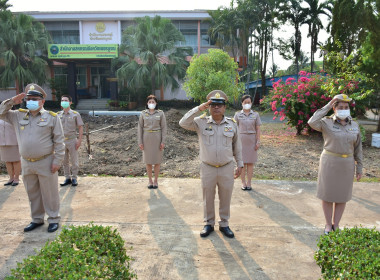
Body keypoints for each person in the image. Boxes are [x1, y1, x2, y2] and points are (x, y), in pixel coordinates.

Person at [0, 84, 65, 233]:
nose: (30, 102)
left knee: (50, 193)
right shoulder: (18, 115)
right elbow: (1, 113)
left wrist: (58, 161)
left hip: (46, 161)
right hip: (27, 162)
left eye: (34, 99)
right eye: (28, 99)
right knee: (32, 192)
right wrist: (11, 101)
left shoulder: (52, 117)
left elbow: (59, 141)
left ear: (42, 101)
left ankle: (53, 219)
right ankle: (37, 219)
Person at [179, 90, 243, 238]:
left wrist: (240, 164)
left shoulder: (232, 124)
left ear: (224, 108)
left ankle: (224, 224)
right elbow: (182, 123)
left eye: (219, 105)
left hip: (226, 167)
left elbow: (237, 146)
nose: (216, 108)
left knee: (225, 196)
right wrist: (199, 108)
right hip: (207, 167)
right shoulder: (201, 123)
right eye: (212, 105)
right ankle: (208, 223)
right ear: (208, 107)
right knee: (208, 196)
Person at [308, 94, 363, 234]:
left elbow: (358, 148)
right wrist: (328, 104)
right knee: (327, 195)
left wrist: (359, 167)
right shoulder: (326, 123)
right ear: (335, 108)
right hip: (329, 162)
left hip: (347, 164)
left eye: (346, 107)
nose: (344, 110)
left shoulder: (354, 125)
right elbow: (312, 122)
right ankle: (328, 224)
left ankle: (336, 224)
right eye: (340, 107)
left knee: (342, 196)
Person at [137, 95, 167, 189]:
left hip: (157, 138)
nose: (151, 104)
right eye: (149, 102)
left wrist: (163, 141)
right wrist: (140, 142)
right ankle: (150, 181)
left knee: (157, 161)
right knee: (148, 161)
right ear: (147, 103)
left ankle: (156, 181)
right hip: (146, 138)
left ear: (156, 103)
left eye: (153, 102)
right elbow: (140, 128)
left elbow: (164, 128)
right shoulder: (143, 113)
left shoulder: (161, 113)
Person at [234, 95, 262, 191]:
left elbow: (258, 129)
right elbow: (234, 129)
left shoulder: (255, 115)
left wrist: (258, 141)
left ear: (251, 103)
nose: (247, 104)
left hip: (251, 141)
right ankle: (243, 182)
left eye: (249, 102)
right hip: (241, 141)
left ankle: (249, 182)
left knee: (250, 163)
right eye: (245, 102)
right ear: (242, 103)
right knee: (242, 163)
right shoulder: (237, 115)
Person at [58, 95, 84, 187]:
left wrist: (79, 140)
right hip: (61, 141)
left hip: (72, 140)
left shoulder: (75, 114)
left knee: (74, 161)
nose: (64, 102)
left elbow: (80, 128)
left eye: (66, 100)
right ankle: (67, 178)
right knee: (64, 161)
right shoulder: (58, 115)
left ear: (70, 102)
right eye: (62, 100)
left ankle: (74, 178)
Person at [0, 119, 21, 186]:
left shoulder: (13, 116)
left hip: (14, 142)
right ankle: (11, 178)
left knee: (16, 161)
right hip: (2, 143)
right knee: (7, 161)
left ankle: (16, 178)